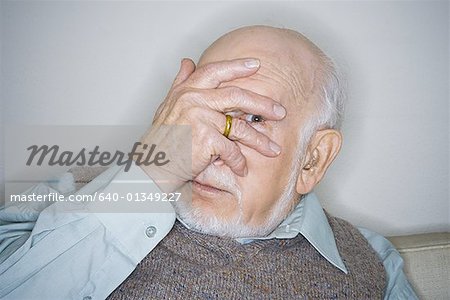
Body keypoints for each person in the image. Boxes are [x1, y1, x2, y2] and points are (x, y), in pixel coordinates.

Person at [0, 25, 417, 299]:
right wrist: (151, 171)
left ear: (313, 159)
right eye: (202, 106)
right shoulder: (68, 194)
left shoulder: (374, 261)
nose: (212, 147)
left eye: (253, 119)